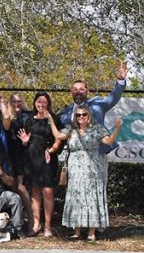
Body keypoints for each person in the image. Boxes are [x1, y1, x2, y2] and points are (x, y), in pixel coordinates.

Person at [50, 105, 123, 241]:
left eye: (84, 114)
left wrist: (117, 128)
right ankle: (76, 231)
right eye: (78, 115)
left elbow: (108, 141)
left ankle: (91, 232)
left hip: (93, 168)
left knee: (91, 197)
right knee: (76, 196)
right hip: (75, 169)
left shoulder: (97, 129)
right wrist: (50, 120)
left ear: (89, 116)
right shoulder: (71, 129)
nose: (81, 117)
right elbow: (58, 136)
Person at [16, 92, 62, 237]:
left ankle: (48, 225)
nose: (41, 104)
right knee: (35, 191)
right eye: (39, 101)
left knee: (48, 192)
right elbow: (24, 141)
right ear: (35, 103)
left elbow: (59, 138)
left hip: (48, 158)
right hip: (32, 158)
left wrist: (52, 149)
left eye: (44, 101)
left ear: (48, 103)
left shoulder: (54, 119)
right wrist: (24, 141)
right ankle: (37, 223)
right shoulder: (29, 120)